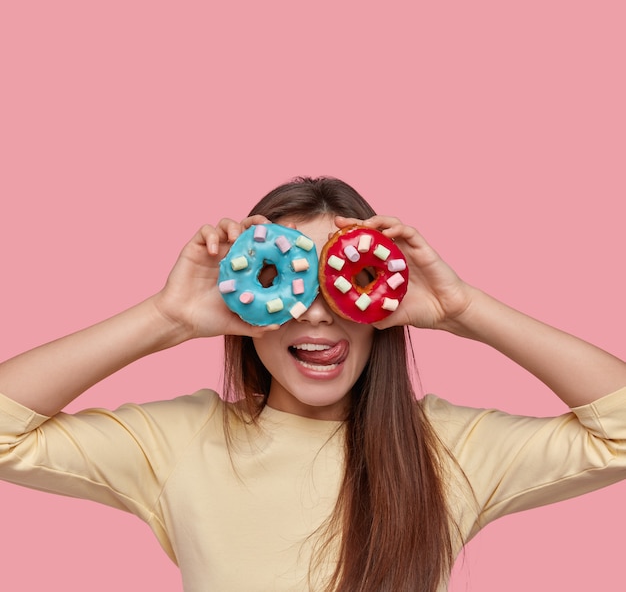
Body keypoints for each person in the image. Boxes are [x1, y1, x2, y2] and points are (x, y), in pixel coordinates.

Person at [1, 176, 625, 592]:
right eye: (289, 284)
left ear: (384, 302)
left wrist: (464, 310)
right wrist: (165, 318)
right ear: (245, 301)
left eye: (342, 282)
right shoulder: (179, 442)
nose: (318, 313)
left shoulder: (447, 447)